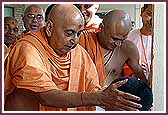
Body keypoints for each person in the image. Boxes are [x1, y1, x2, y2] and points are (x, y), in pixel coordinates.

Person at [4, 5, 142, 111]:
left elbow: (93, 88)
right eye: (69, 33)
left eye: (78, 34)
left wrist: (115, 100)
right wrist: (99, 98)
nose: (74, 40)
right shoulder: (27, 48)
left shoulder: (78, 53)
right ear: (50, 28)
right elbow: (44, 95)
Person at [79, 9, 147, 88]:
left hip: (113, 98)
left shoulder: (128, 48)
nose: (118, 44)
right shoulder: (82, 42)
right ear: (101, 27)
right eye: (115, 39)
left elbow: (142, 78)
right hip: (85, 97)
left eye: (122, 40)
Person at [127, 4, 153, 85]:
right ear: (142, 11)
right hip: (137, 87)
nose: (152, 20)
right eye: (149, 14)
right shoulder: (129, 37)